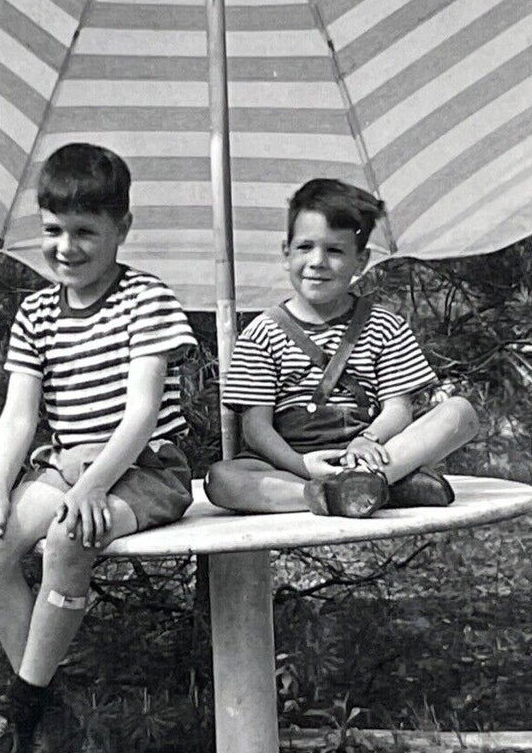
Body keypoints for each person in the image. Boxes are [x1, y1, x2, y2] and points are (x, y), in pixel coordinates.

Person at [0, 142, 197, 753]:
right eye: (54, 231)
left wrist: (91, 487)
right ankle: (48, 710)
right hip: (67, 464)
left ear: (122, 229)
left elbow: (143, 412)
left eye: (86, 231)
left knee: (69, 538)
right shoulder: (35, 313)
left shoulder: (146, 299)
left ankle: (18, 712)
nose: (67, 248)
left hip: (142, 466)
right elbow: (18, 414)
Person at [204, 178, 477, 518]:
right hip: (293, 465)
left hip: (371, 453)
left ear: (361, 262)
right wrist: (302, 466)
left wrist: (369, 441)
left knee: (459, 413)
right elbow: (256, 428)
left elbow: (397, 410)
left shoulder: (385, 326)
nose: (317, 262)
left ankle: (370, 482)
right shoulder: (262, 332)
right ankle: (352, 493)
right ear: (285, 254)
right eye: (305, 247)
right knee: (221, 479)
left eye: (334, 250)